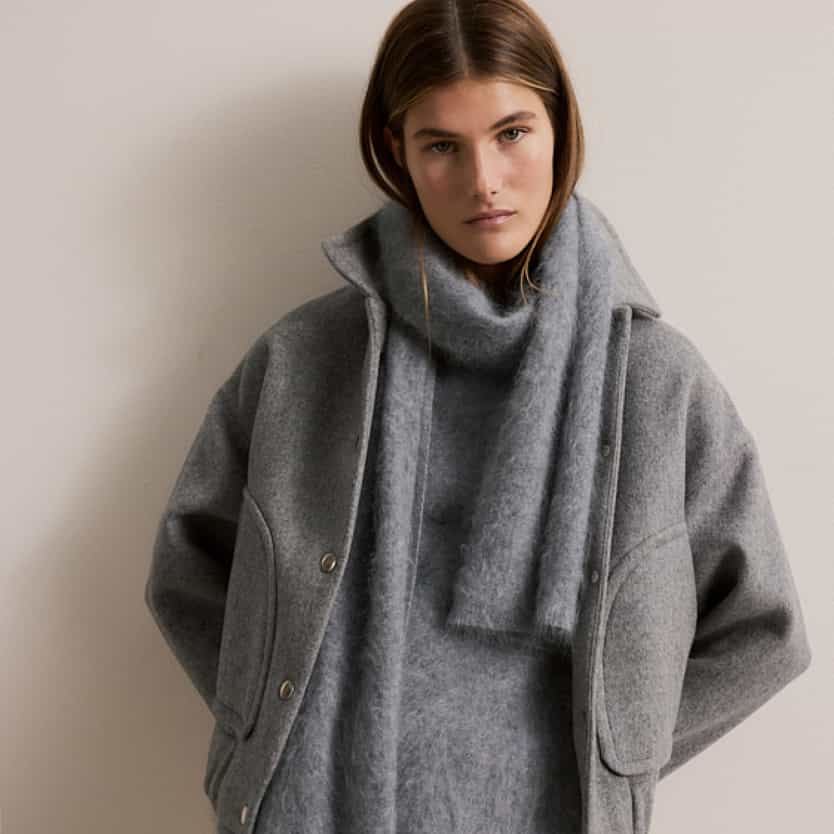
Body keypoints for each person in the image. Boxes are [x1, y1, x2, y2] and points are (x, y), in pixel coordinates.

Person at [144, 1, 813, 833]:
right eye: (441, 146)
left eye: (512, 133)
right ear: (397, 150)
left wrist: (613, 755)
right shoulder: (304, 362)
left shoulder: (655, 383)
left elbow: (764, 627)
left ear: (561, 128)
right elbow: (187, 564)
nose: (484, 180)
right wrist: (269, 724)